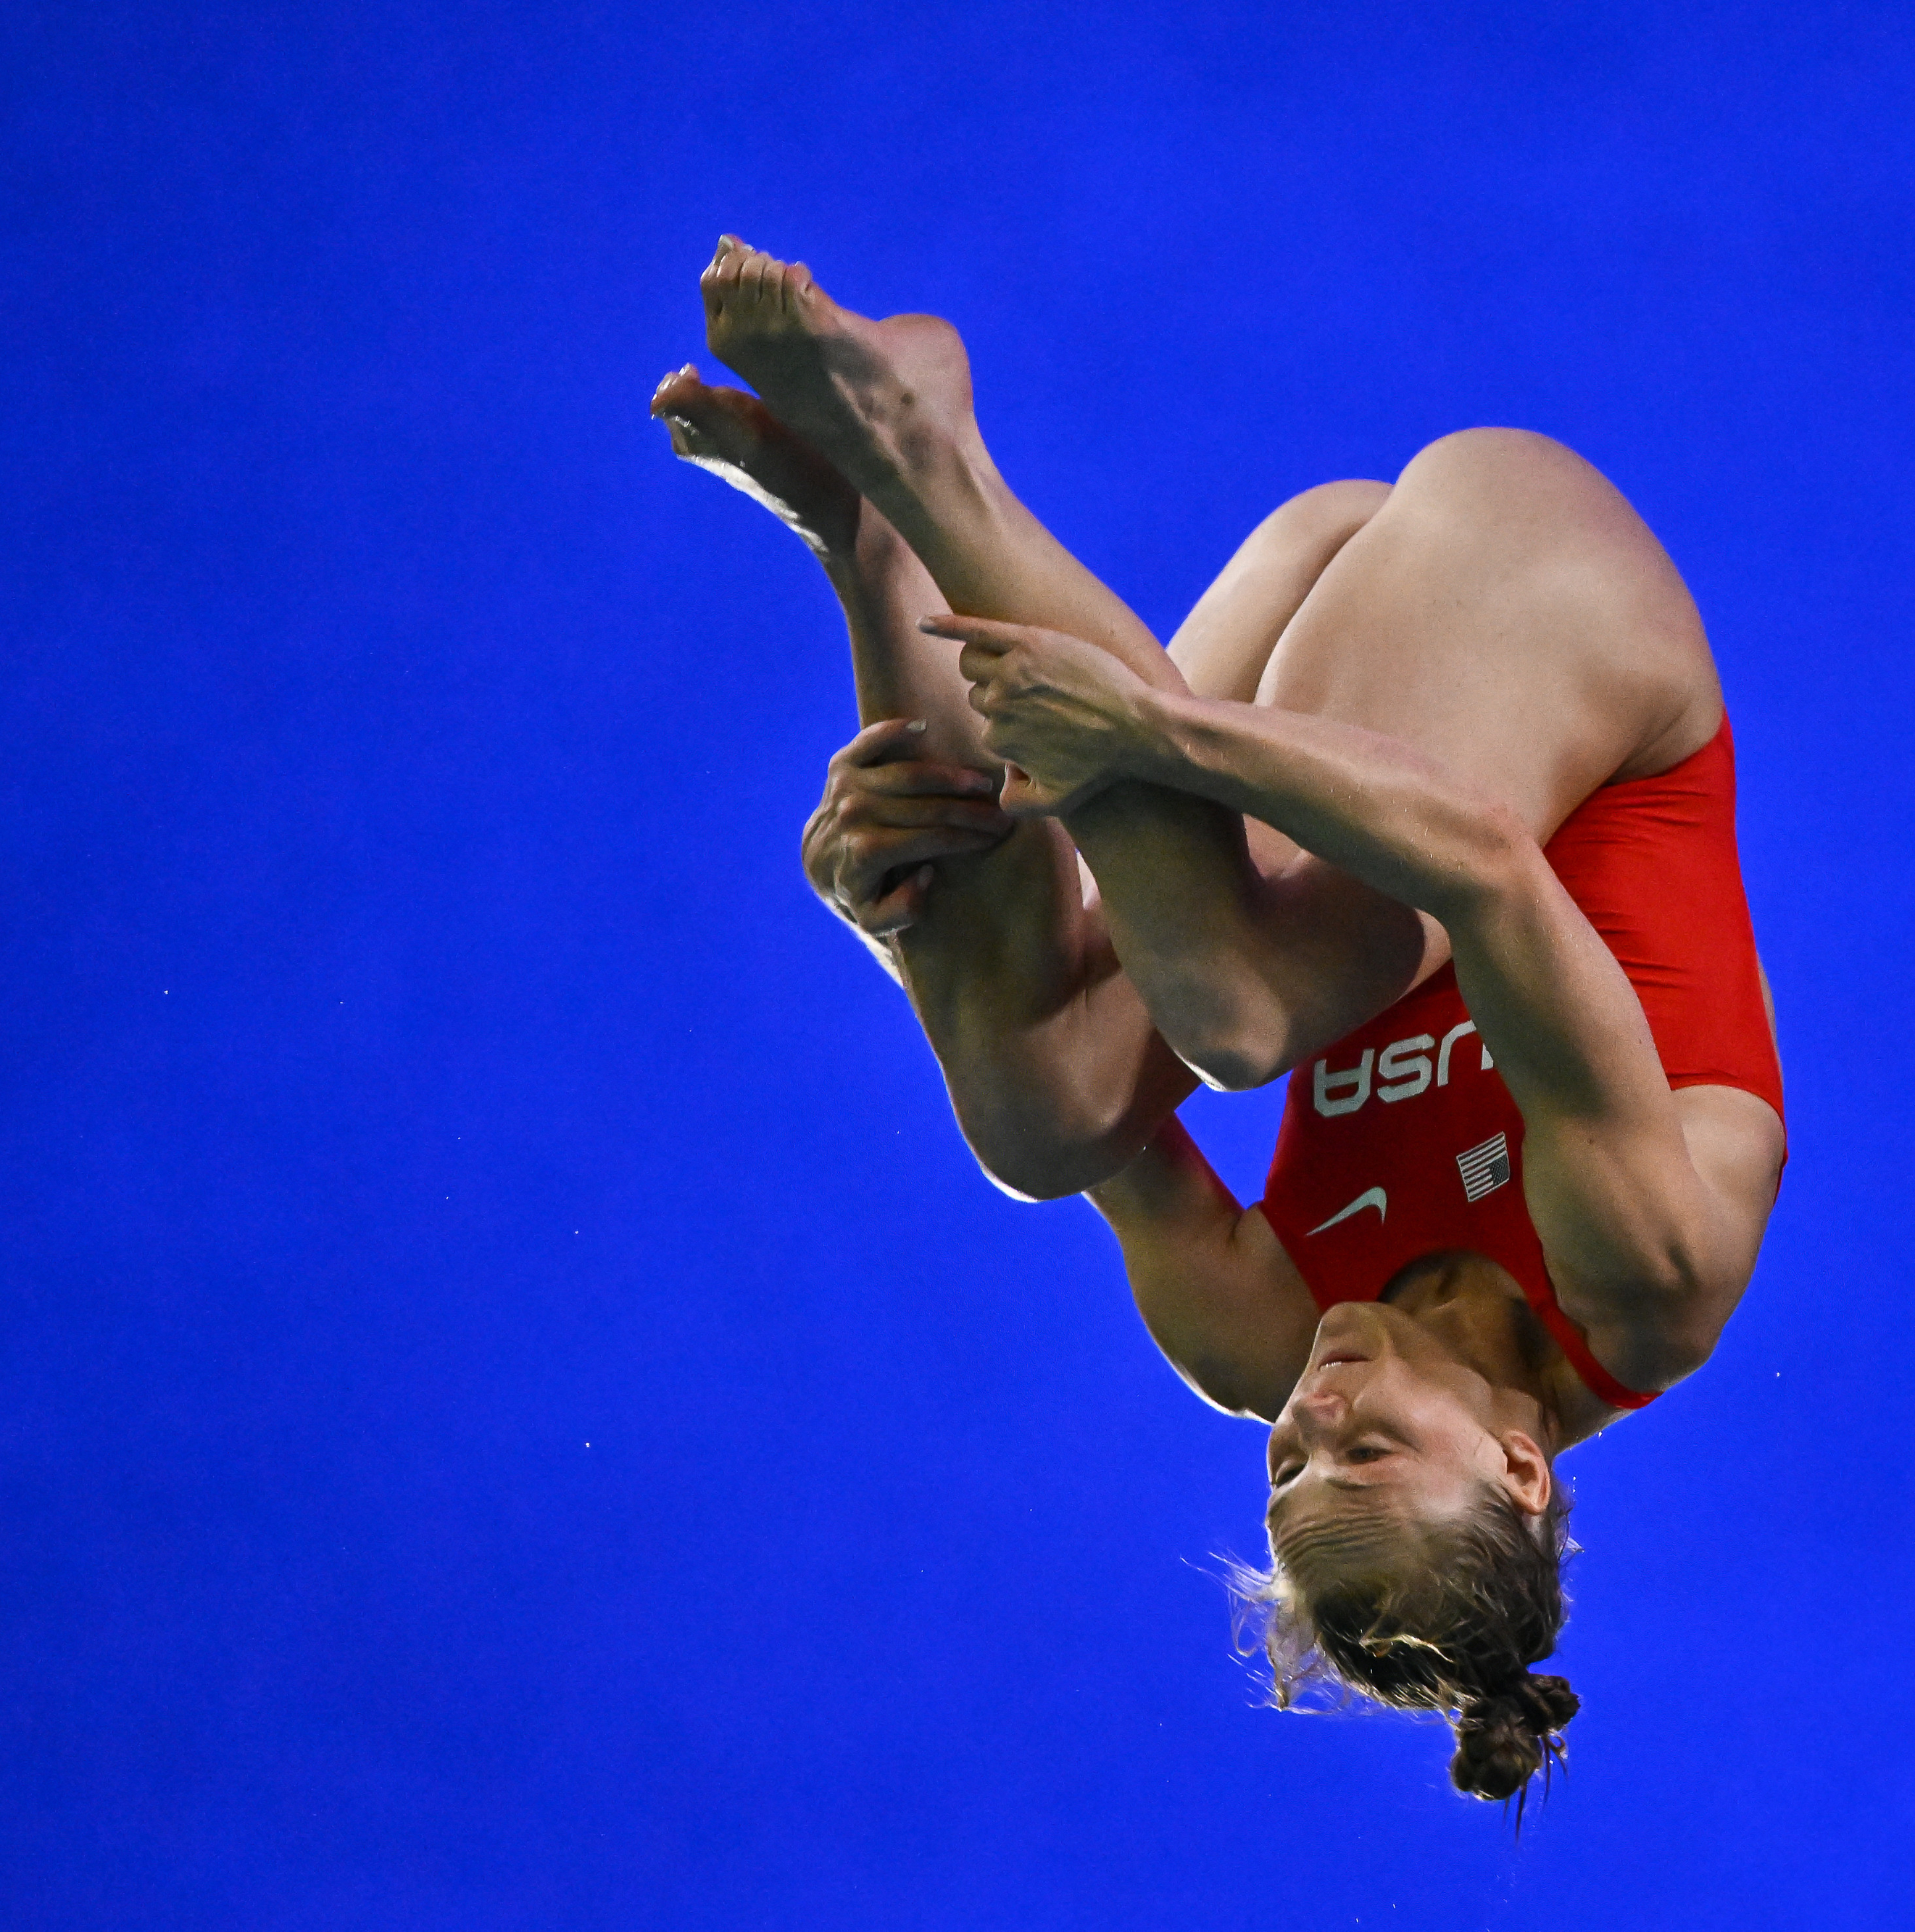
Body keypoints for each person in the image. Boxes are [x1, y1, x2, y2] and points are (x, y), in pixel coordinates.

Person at [652, 238, 1786, 1801]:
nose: (1312, 1410)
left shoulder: (1253, 1335)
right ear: (1521, 1471)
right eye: (1366, 1449)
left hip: (1337, 661)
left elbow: (1031, 1015)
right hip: (1540, 581)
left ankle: (869, 546)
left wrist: (887, 916)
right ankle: (924, 453)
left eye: (1285, 1469)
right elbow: (1480, 867)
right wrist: (1171, 731)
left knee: (1039, 1110)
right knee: (1244, 1009)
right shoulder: (1645, 1274)